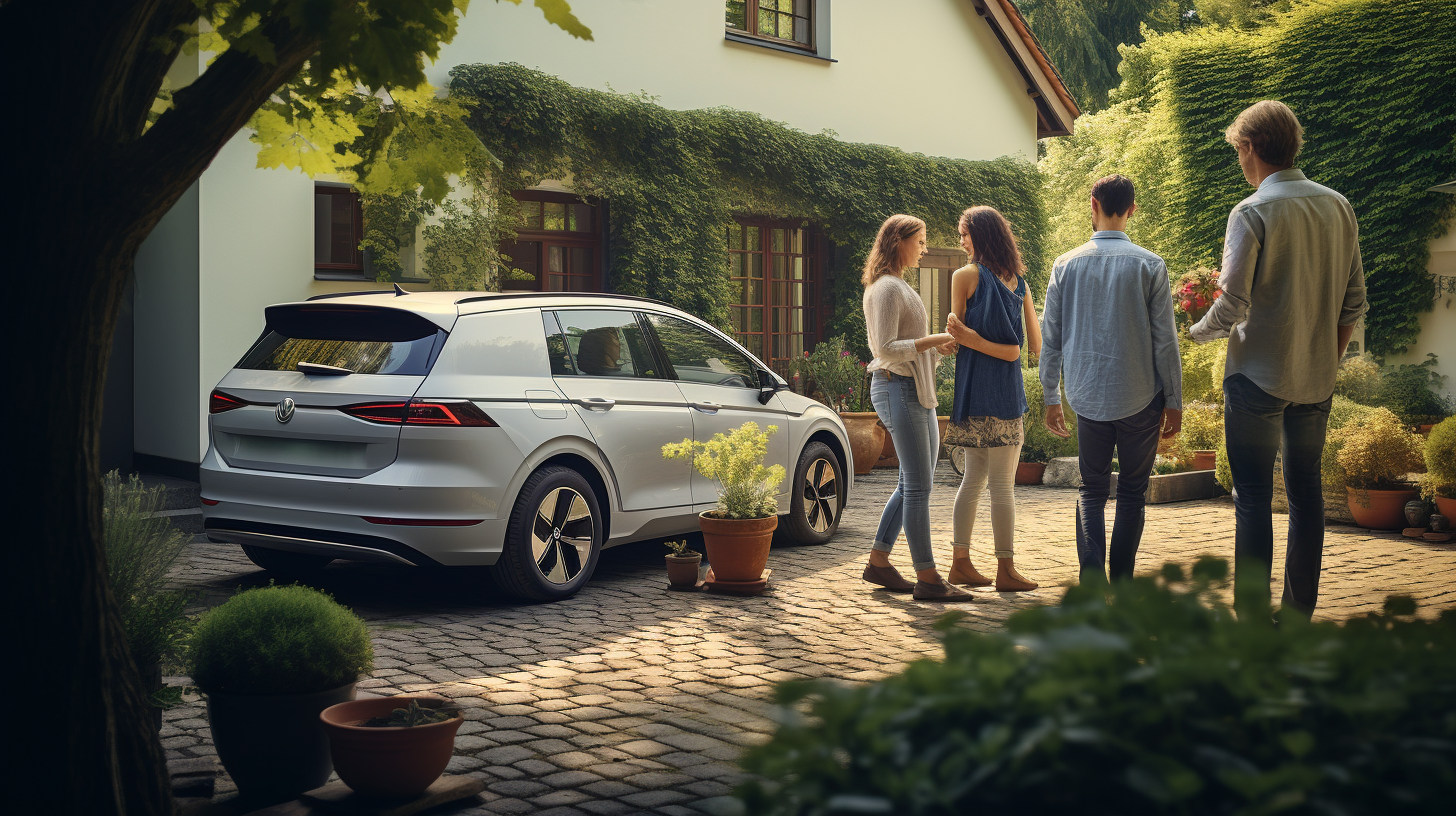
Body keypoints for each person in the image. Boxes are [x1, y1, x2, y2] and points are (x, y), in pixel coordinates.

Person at [1190, 100, 1366, 619]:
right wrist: (1323, 362)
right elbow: (1354, 302)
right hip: (1315, 382)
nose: (1239, 163)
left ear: (1250, 148)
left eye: (1238, 152)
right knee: (1306, 495)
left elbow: (1234, 304)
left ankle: (1251, 624)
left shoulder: (1252, 212)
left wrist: (1195, 333)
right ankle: (1296, 618)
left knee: (1252, 498)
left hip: (1254, 379)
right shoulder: (1339, 206)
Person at [1039, 174, 1183, 583]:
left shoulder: (1065, 264)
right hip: (1142, 396)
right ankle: (1121, 583)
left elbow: (1051, 338)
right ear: (1132, 210)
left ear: (1093, 204)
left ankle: (1090, 583)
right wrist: (1174, 401)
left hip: (1086, 395)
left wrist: (1052, 396)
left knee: (1092, 491)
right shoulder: (1151, 265)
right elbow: (1165, 342)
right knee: (1133, 494)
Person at [860, 214, 971, 602]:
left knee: (911, 483)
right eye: (920, 242)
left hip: (913, 390)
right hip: (896, 390)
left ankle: (878, 561)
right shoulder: (887, 288)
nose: (924, 249)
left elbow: (906, 347)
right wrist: (932, 340)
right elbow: (886, 350)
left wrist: (935, 349)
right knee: (920, 485)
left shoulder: (897, 286)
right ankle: (928, 577)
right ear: (897, 241)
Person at [941, 206, 1041, 592]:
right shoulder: (1020, 284)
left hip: (971, 391)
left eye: (964, 234)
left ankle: (960, 563)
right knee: (1001, 486)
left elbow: (957, 336)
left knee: (974, 481)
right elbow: (1028, 347)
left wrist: (966, 340)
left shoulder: (964, 277)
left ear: (980, 236)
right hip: (1002, 394)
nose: (961, 241)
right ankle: (1005, 569)